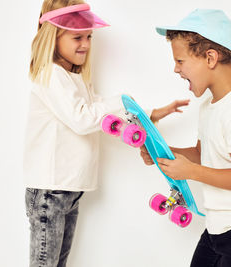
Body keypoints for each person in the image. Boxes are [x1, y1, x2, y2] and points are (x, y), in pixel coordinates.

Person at [24, 1, 189, 266]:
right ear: (52, 36)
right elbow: (82, 118)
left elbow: (101, 115)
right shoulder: (50, 75)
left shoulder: (74, 77)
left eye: (89, 36)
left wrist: (150, 114)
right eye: (77, 37)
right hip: (51, 190)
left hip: (69, 189)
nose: (86, 44)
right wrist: (121, 101)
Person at [140, 9, 231, 267]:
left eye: (180, 61)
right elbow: (204, 155)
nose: (175, 69)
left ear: (210, 58)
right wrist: (163, 151)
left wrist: (190, 171)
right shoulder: (210, 107)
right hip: (218, 227)